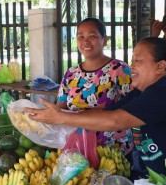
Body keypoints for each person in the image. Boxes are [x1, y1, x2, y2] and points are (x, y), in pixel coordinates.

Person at [26, 37, 166, 185]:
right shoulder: (142, 92)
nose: (132, 65)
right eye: (132, 59)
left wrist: (61, 118)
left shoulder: (165, 92)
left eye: (138, 61)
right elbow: (107, 114)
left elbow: (116, 121)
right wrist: (59, 115)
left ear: (160, 66)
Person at [57, 17, 133, 156]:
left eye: (92, 36)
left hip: (111, 151)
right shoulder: (71, 73)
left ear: (104, 40)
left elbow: (132, 110)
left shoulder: (119, 69)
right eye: (80, 37)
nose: (85, 41)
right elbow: (60, 109)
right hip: (77, 150)